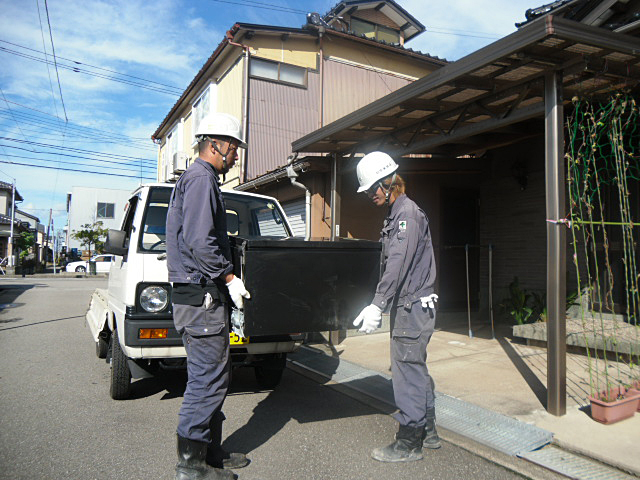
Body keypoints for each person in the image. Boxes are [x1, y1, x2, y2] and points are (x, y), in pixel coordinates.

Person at [166, 112, 252, 480]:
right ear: (221, 145)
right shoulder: (201, 179)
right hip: (201, 299)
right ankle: (191, 465)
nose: (236, 158)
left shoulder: (198, 180)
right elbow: (201, 241)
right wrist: (229, 275)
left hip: (200, 299)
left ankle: (210, 453)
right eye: (235, 151)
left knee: (216, 375)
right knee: (207, 380)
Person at [352, 151, 440, 463]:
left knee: (406, 371)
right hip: (413, 307)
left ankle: (408, 443)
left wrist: (377, 304)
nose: (370, 196)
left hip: (411, 307)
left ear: (388, 182)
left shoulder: (406, 215)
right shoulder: (399, 214)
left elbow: (398, 264)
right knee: (415, 368)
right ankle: (427, 433)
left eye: (372, 189)